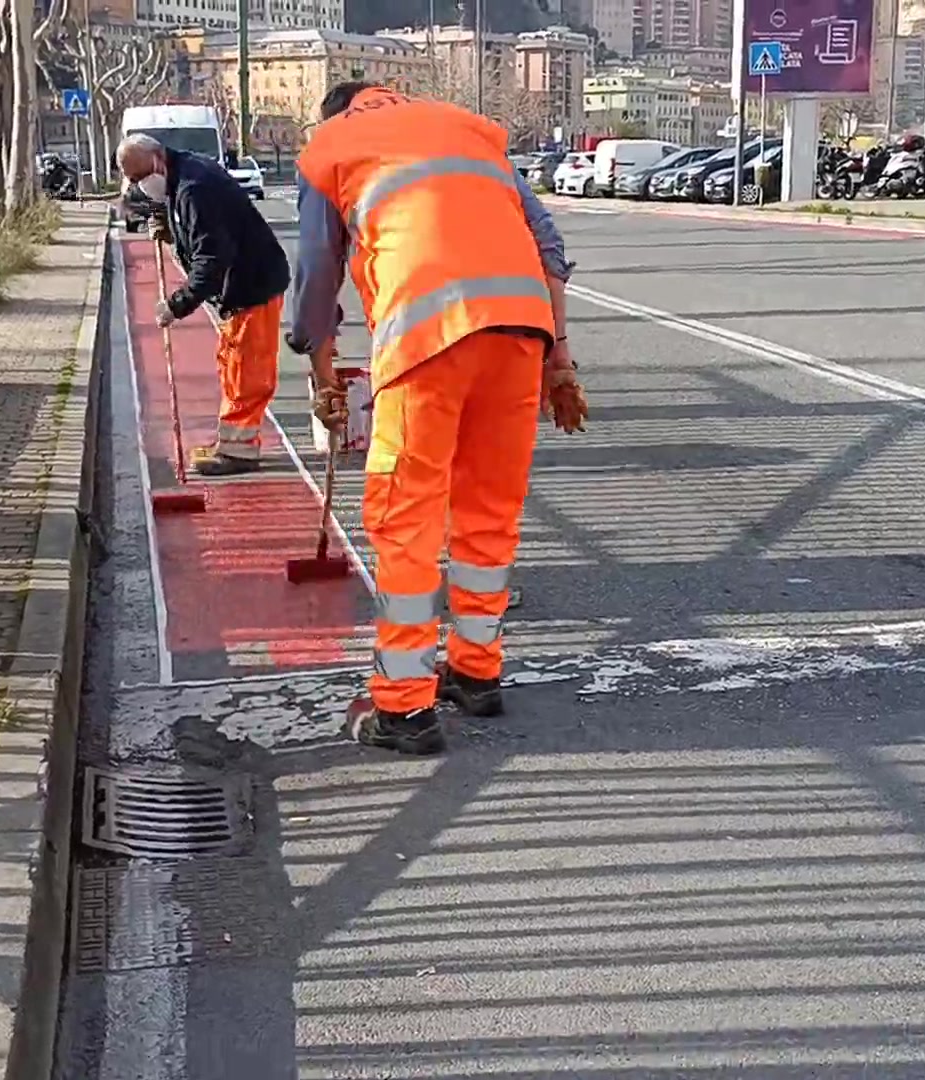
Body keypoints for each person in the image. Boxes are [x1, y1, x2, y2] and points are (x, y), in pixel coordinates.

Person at [286, 81, 586, 756]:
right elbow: (548, 245)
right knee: (488, 513)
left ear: (337, 112)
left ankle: (405, 707)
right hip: (520, 335)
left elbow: (315, 275)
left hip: (427, 340)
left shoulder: (330, 146)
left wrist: (322, 373)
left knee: (407, 520)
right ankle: (477, 674)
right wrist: (560, 361)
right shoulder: (473, 130)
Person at [118, 135, 290, 475]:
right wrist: (168, 227)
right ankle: (232, 443)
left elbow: (211, 258)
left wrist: (176, 305)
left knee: (246, 370)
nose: (139, 185)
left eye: (139, 177)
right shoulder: (182, 173)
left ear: (156, 160)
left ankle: (239, 451)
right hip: (240, 285)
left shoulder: (195, 187)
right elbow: (193, 227)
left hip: (250, 284)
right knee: (232, 363)